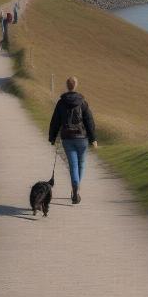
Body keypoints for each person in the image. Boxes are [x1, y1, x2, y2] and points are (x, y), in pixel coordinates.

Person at [48, 76, 97, 204]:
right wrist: (93, 139)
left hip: (67, 138)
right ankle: (76, 189)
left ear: (67, 86)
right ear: (75, 85)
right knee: (81, 164)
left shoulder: (61, 102)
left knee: (73, 165)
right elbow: (89, 121)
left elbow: (55, 121)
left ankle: (75, 187)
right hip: (82, 138)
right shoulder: (82, 102)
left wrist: (52, 137)